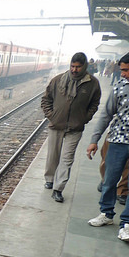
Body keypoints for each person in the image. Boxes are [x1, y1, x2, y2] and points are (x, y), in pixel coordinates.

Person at [41, 52, 101, 203]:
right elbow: (46, 99)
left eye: (78, 67)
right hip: (56, 125)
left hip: (75, 128)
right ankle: (50, 179)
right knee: (53, 156)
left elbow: (94, 104)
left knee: (67, 159)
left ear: (85, 66)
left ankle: (58, 189)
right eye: (72, 66)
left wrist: (85, 118)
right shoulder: (58, 80)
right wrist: (51, 115)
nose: (74, 70)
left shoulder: (92, 83)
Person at [86, 52, 129, 241]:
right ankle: (106, 214)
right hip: (118, 141)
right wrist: (94, 140)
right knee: (110, 180)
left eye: (126, 70)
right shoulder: (120, 87)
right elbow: (106, 115)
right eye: (122, 70)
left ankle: (127, 223)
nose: (123, 74)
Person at [96, 138, 128, 205]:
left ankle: (122, 190)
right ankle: (105, 181)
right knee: (107, 161)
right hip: (114, 135)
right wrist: (94, 140)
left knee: (127, 167)